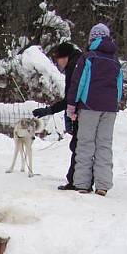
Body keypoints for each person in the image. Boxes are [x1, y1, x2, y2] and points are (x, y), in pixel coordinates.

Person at [65, 23, 123, 196]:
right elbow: (119, 87)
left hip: (89, 106)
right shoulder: (115, 61)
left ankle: (82, 183)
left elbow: (79, 82)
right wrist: (115, 104)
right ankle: (103, 185)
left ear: (92, 39)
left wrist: (72, 104)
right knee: (104, 145)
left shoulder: (88, 58)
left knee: (85, 144)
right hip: (110, 108)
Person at [32, 41, 83, 189]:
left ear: (64, 57)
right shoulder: (81, 61)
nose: (57, 63)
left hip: (81, 111)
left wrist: (50, 110)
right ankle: (83, 180)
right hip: (94, 109)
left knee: (78, 145)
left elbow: (70, 98)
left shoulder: (74, 66)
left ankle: (75, 180)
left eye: (57, 59)